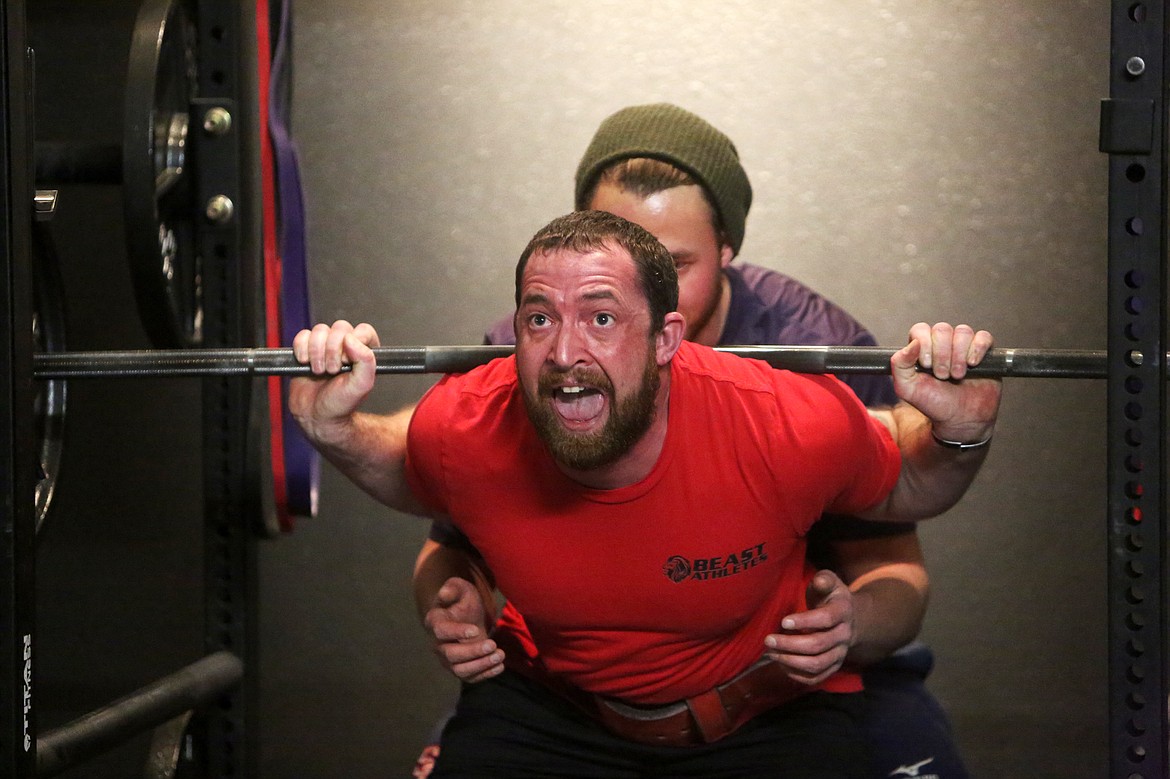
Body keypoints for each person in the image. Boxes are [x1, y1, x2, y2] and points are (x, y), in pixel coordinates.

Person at [290, 209, 1002, 778]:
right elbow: (402, 469)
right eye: (539, 319)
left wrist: (962, 431)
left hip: (763, 717)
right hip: (555, 714)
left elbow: (912, 481)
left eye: (601, 318)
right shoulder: (470, 421)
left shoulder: (787, 420)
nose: (565, 353)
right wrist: (333, 427)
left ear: (667, 338)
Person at [413, 104, 971, 777]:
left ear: (727, 249)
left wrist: (849, 625)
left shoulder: (814, 355)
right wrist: (458, 604)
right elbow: (451, 548)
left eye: (674, 263)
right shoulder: (533, 351)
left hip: (789, 675)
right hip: (570, 690)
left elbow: (898, 571)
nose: (643, 281)